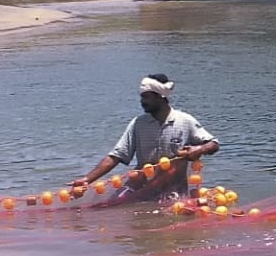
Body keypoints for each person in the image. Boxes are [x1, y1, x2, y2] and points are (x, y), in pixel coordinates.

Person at [71, 74, 221, 198]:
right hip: (139, 186)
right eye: (142, 97)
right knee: (112, 205)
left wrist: (199, 149)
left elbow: (214, 144)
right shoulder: (138, 123)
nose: (142, 102)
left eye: (146, 97)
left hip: (172, 190)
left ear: (160, 97)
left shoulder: (184, 121)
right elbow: (116, 156)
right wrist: (87, 179)